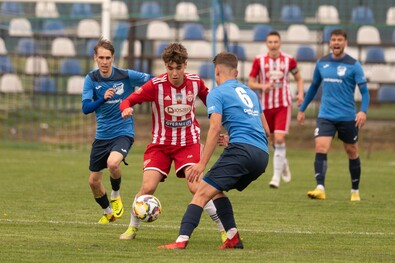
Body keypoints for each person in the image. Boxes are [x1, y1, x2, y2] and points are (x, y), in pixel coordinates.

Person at [158, 51, 270, 250]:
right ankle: (233, 239)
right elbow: (266, 130)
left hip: (241, 151)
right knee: (216, 192)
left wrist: (201, 164)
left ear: (217, 71)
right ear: (235, 71)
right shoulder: (251, 93)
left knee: (200, 193)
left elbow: (215, 127)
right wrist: (232, 138)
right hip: (261, 155)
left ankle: (181, 241)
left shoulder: (217, 93)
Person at [118, 43, 226, 241]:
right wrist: (125, 109)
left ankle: (224, 230)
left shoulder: (195, 83)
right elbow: (127, 100)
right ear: (165, 66)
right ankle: (132, 228)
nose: (174, 73)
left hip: (188, 142)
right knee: (148, 187)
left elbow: (214, 104)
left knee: (196, 187)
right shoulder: (155, 85)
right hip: (160, 145)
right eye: (170, 68)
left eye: (178, 67)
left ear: (185, 65)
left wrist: (222, 130)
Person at [81, 37, 153, 224]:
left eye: (108, 58)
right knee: (93, 182)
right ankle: (108, 213)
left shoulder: (126, 75)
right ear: (95, 58)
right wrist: (103, 99)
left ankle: (115, 194)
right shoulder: (91, 79)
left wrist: (135, 100)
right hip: (102, 135)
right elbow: (86, 108)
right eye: (101, 58)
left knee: (113, 164)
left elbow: (153, 82)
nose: (105, 62)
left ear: (113, 58)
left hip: (123, 132)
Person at [297, 29, 370, 202]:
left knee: (352, 151)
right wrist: (302, 109)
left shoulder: (354, 65)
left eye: (339, 40)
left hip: (347, 116)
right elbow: (314, 87)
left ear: (346, 43)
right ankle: (320, 188)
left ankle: (355, 190)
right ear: (329, 43)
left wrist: (363, 111)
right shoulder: (322, 63)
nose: (336, 42)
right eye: (333, 40)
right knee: (321, 146)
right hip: (326, 115)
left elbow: (365, 93)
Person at [248, 31, 304, 189]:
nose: (273, 45)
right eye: (270, 42)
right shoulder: (259, 60)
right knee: (271, 139)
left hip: (283, 104)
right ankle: (283, 162)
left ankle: (276, 177)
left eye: (275, 42)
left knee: (279, 139)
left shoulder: (289, 60)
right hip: (265, 105)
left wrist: (300, 94)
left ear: (280, 43)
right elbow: (251, 82)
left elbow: (299, 78)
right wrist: (262, 86)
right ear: (267, 44)